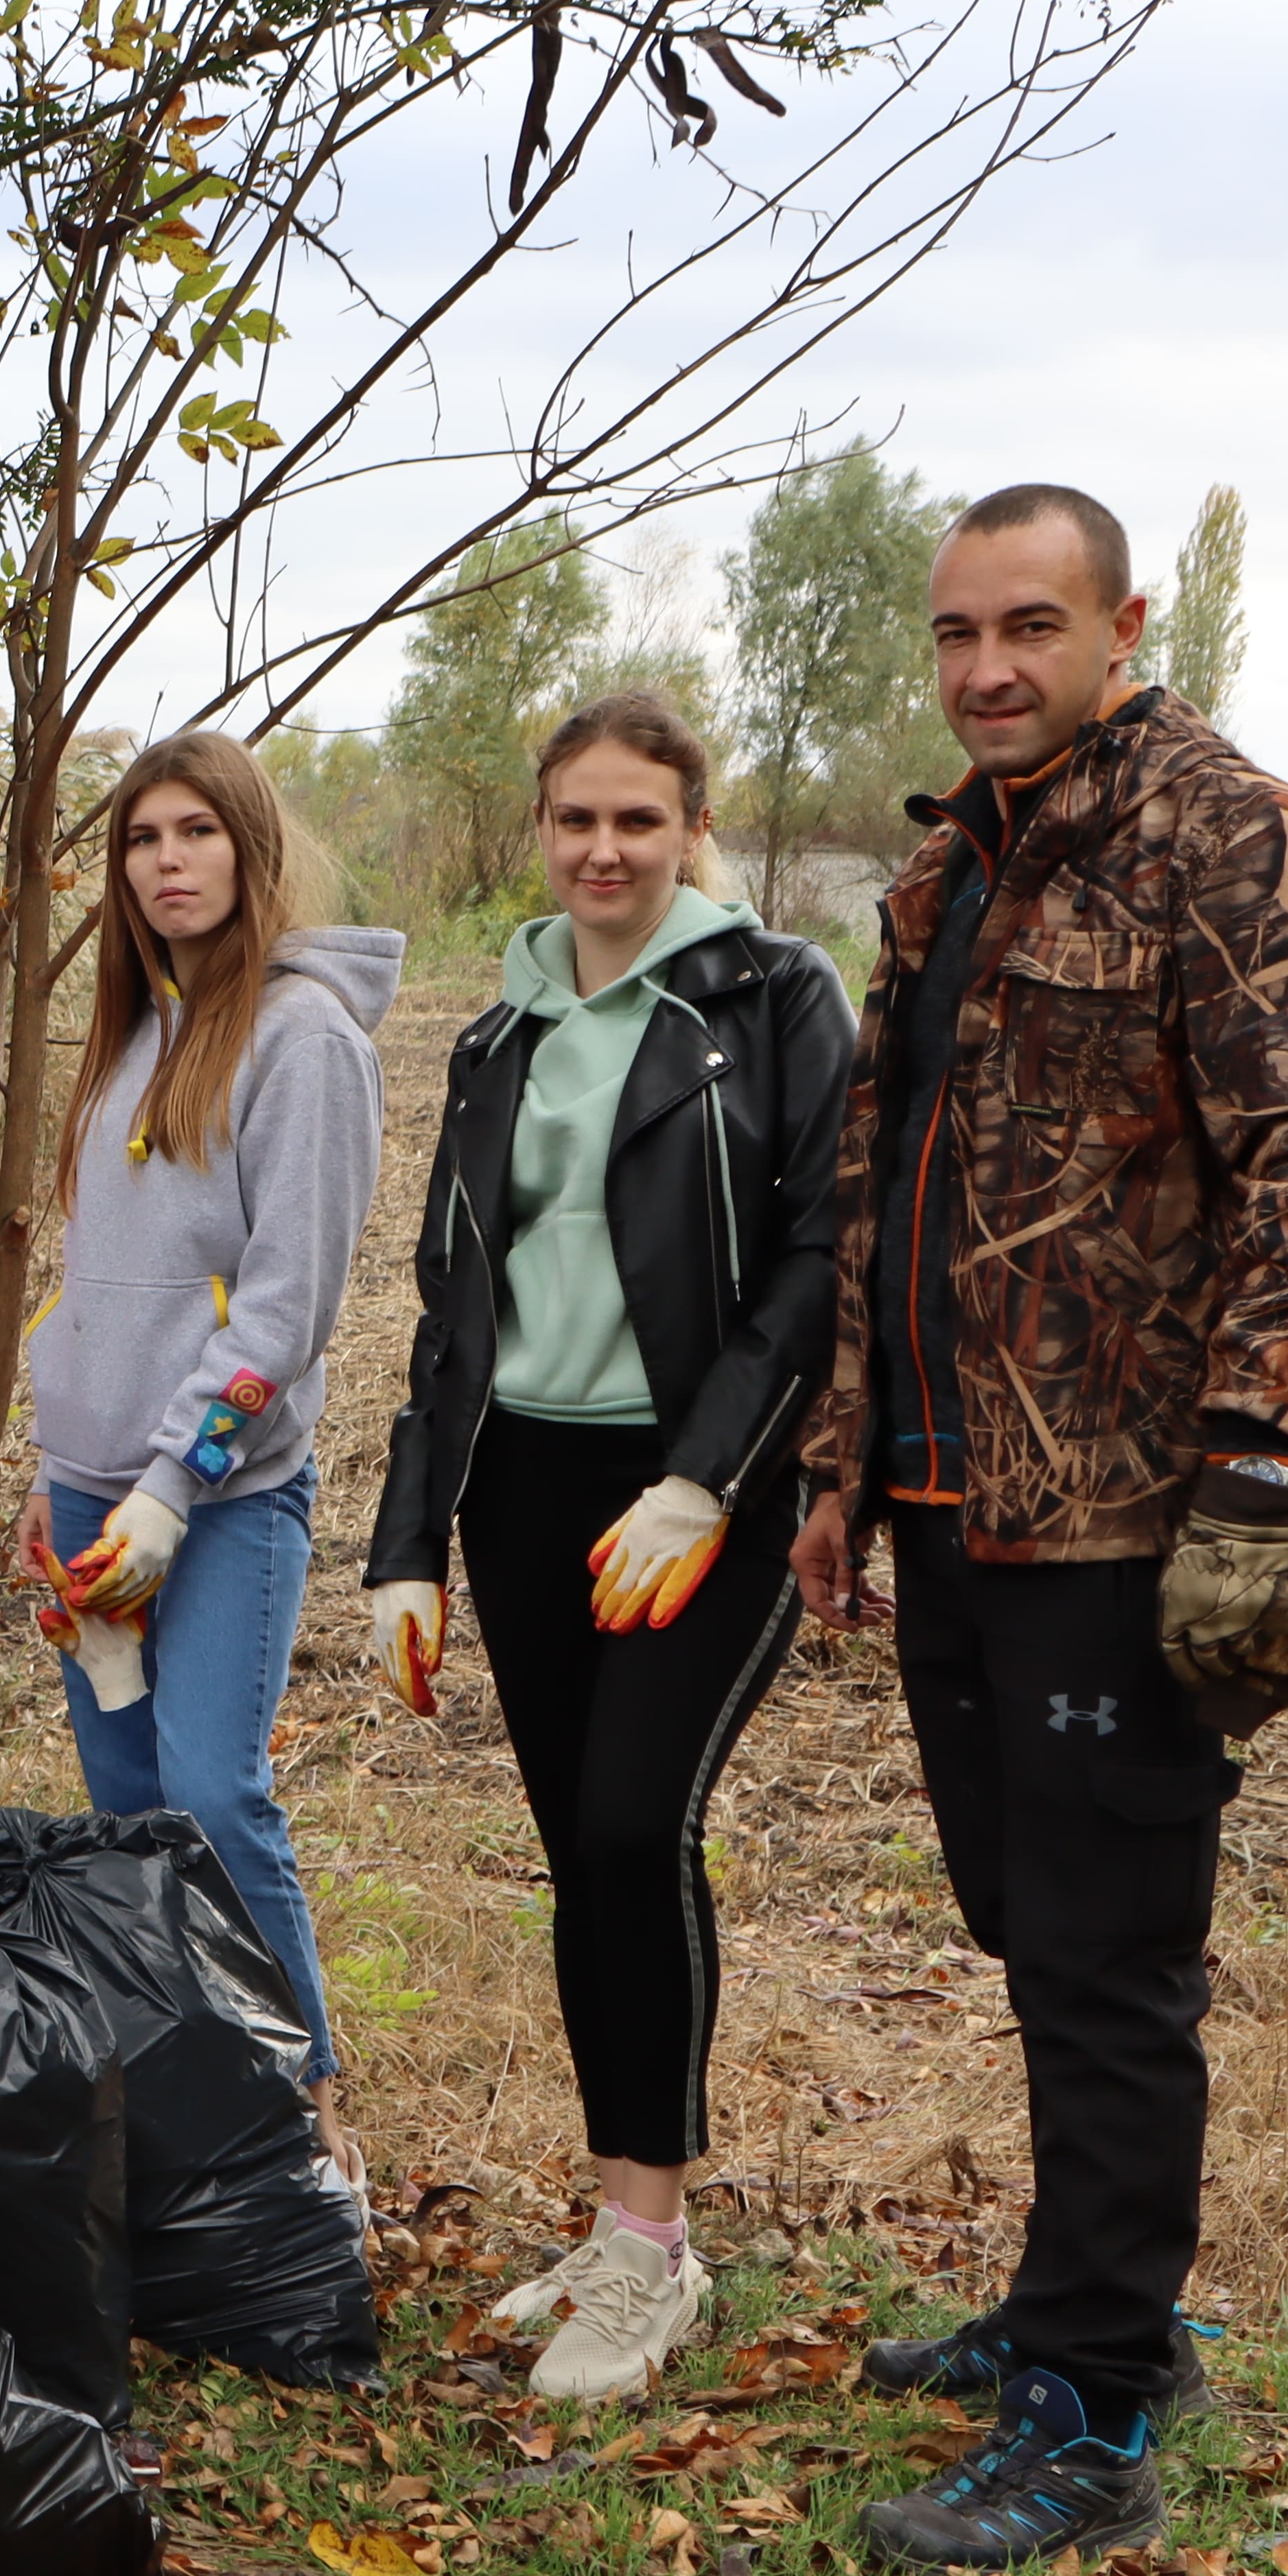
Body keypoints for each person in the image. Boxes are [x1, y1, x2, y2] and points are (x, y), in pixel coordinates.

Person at [791, 485, 1288, 2567]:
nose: (988, 667)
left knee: (1109, 1961)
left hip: (1131, 1523)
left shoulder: (1235, 840)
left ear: (1124, 623)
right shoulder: (952, 866)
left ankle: (1091, 2414)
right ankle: (1093, 2296)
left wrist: (1259, 1483)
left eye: (1031, 626)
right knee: (1029, 1929)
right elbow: (884, 1200)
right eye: (960, 631)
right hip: (961, 1498)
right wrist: (844, 1480)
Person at [363, 694, 852, 2403]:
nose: (603, 850)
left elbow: (815, 1257)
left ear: (689, 828)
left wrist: (712, 1475)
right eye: (576, 817)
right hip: (528, 1493)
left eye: (638, 820)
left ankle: (655, 2252)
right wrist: (406, 1539)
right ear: (543, 821)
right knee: (584, 1848)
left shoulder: (772, 999)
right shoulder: (496, 1034)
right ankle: (615, 2217)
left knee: (643, 1824)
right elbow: (452, 1305)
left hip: (692, 1491)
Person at [23, 730, 397, 2176]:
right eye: (141, 839)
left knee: (210, 1787)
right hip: (89, 1489)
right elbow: (104, 1274)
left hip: (219, 1495)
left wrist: (178, 1483)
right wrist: (62, 1477)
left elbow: (292, 1305)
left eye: (196, 833)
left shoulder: (305, 1037)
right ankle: (191, 2104)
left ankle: (305, 2112)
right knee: (122, 1806)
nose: (167, 862)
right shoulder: (136, 1029)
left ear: (250, 847)